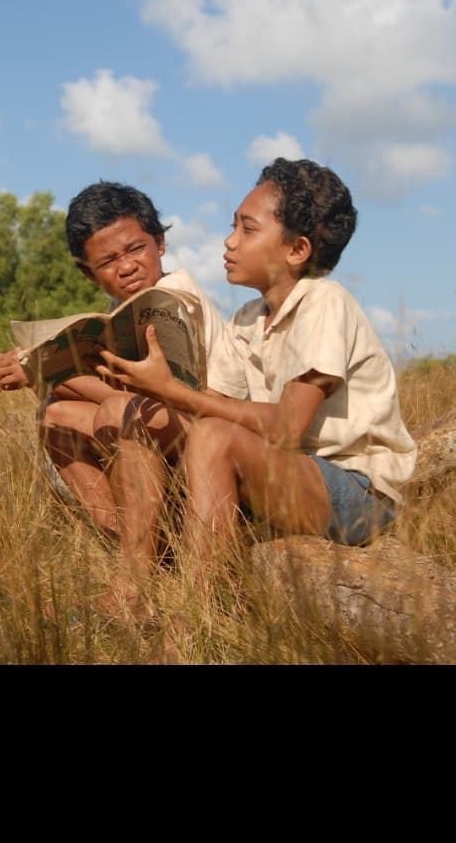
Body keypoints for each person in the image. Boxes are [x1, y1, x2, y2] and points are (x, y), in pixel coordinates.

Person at [98, 158, 417, 579]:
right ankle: (134, 581)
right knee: (138, 414)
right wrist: (152, 385)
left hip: (356, 490)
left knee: (213, 436)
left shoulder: (324, 301)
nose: (230, 242)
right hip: (288, 469)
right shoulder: (249, 317)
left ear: (296, 250)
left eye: (248, 230)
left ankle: (191, 622)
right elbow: (219, 401)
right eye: (233, 226)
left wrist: (177, 394)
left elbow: (286, 428)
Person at [0, 181, 226, 611]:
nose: (127, 267)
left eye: (136, 249)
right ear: (87, 273)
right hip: (166, 426)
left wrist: (41, 367)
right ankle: (138, 548)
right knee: (55, 415)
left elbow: (156, 394)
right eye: (109, 261)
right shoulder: (119, 315)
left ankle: (132, 585)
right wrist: (43, 367)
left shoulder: (175, 297)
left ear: (161, 243)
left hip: (212, 433)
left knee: (116, 407)